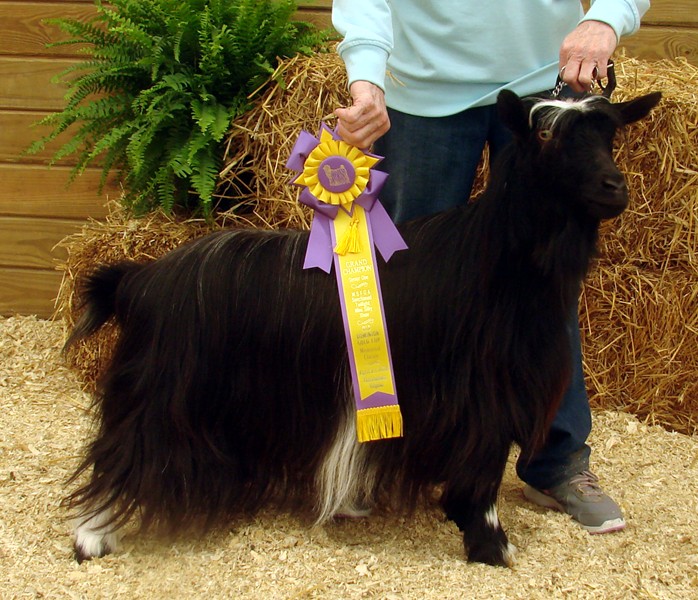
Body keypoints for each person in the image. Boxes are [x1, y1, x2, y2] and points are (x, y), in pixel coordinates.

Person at [331, 0, 650, 534]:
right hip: (421, 90)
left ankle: (556, 463)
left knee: (547, 283)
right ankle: (391, 457)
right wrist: (366, 74)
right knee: (407, 289)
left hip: (547, 88)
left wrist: (606, 18)